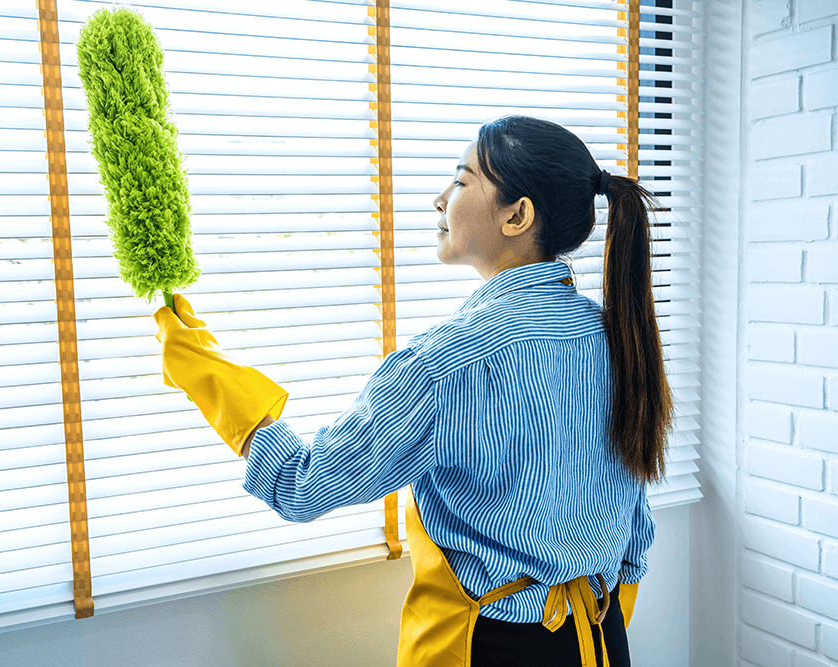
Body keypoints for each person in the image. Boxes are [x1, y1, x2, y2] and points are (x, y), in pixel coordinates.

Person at [154, 115, 672, 667]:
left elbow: (301, 485)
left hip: (489, 650)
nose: (439, 198)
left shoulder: (445, 363)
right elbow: (633, 527)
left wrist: (207, 373)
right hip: (600, 636)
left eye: (462, 180)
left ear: (517, 215)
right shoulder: (617, 337)